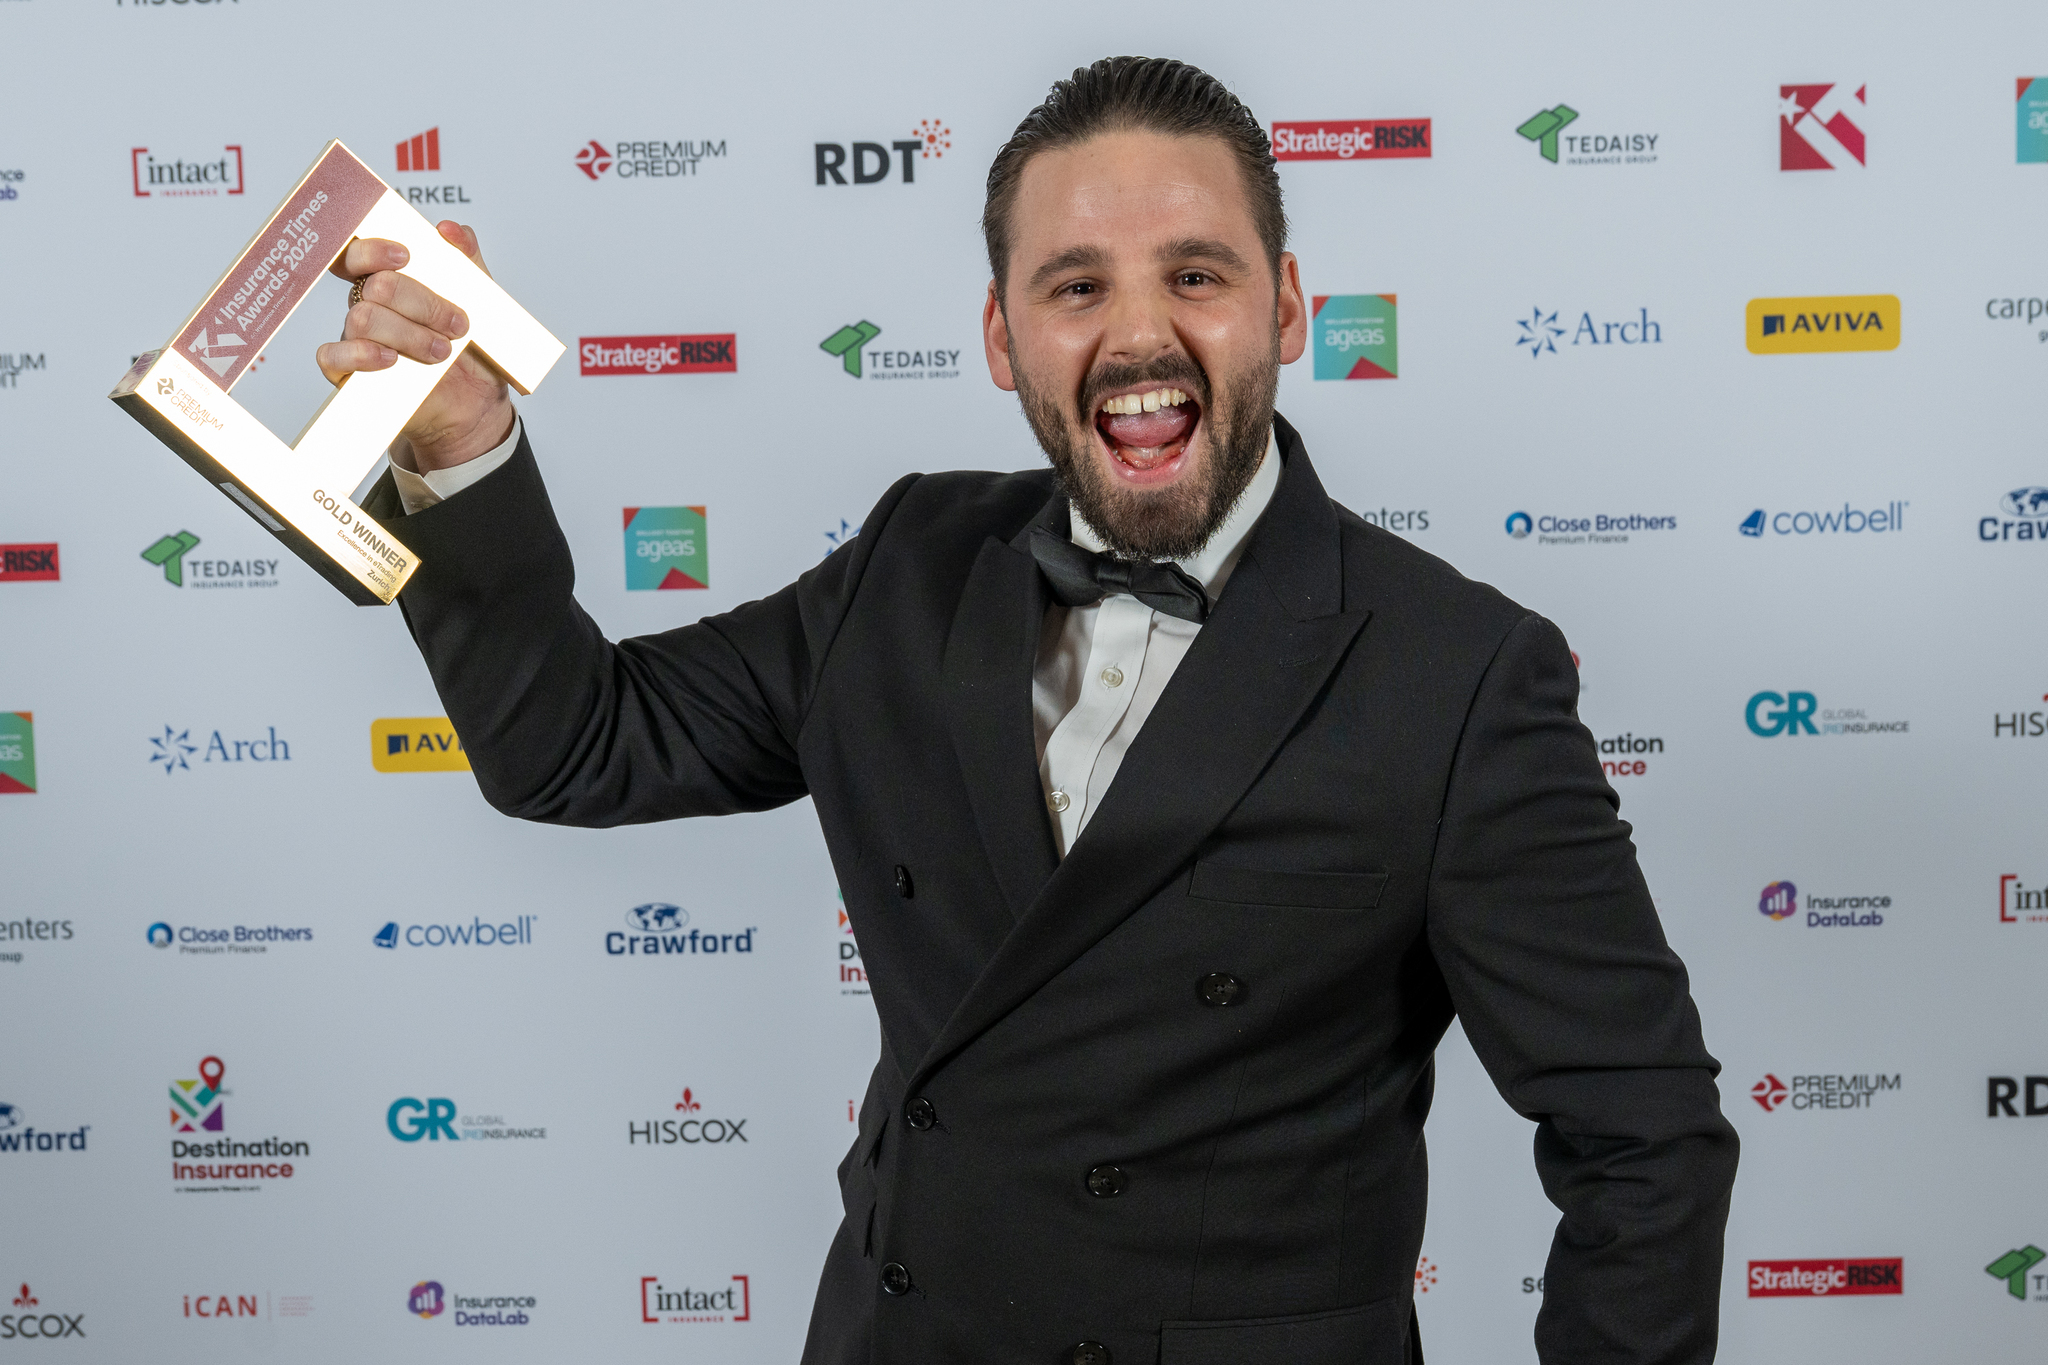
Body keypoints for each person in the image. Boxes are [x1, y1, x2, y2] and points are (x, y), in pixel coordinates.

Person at [321, 56, 1736, 1365]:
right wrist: (463, 441)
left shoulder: (1461, 672)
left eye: (1196, 274)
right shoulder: (908, 563)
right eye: (1075, 286)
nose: (1139, 335)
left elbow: (1644, 1139)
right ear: (1003, 337)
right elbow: (573, 746)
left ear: (1288, 307)